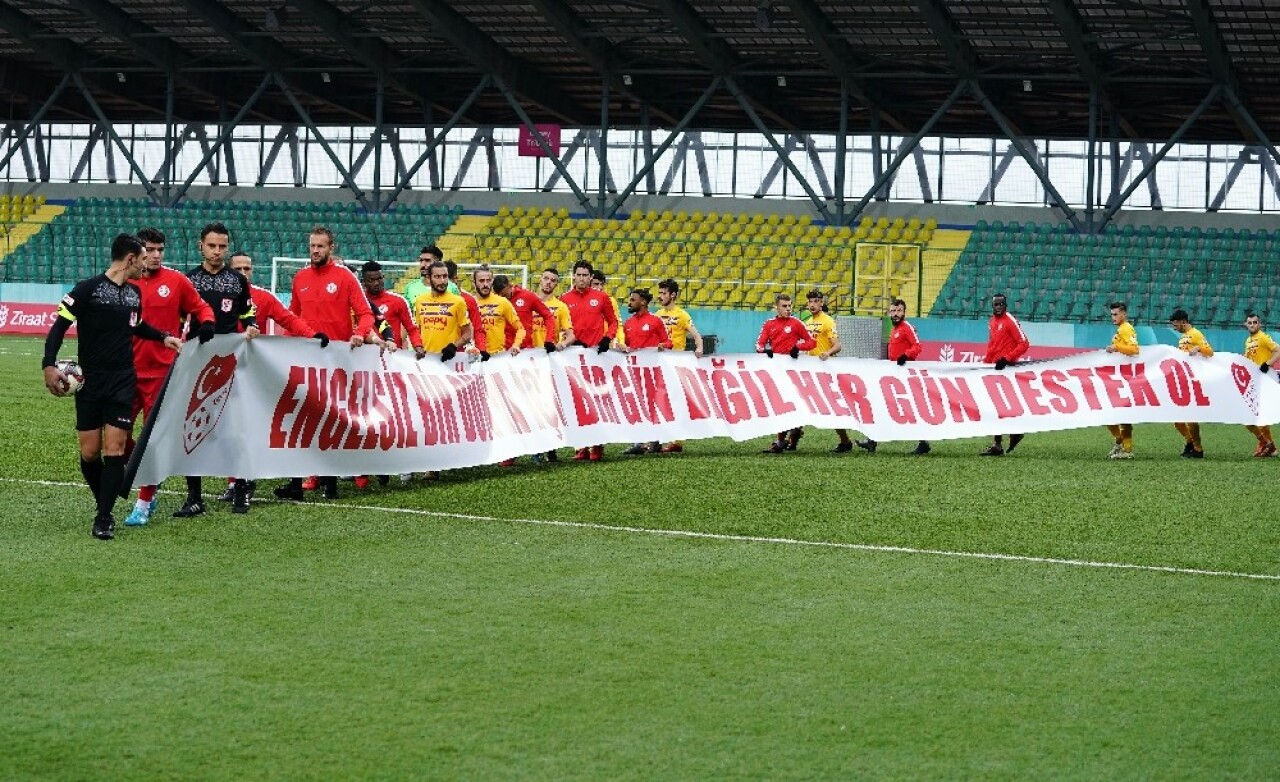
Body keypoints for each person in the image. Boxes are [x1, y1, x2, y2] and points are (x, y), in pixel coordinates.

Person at [42, 233, 182, 540]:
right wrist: (48, 365)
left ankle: (104, 518)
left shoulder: (134, 294)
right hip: (90, 382)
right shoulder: (87, 289)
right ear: (130, 259)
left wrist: (163, 337)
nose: (146, 265)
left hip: (122, 379)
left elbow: (136, 325)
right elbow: (58, 327)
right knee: (90, 453)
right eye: (143, 259)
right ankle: (103, 499)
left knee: (114, 449)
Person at [273, 226, 378, 502]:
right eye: (312, 246)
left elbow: (366, 314)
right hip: (306, 358)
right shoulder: (300, 278)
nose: (315, 251)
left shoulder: (345, 277)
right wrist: (283, 345)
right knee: (300, 416)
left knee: (331, 418)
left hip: (337, 359)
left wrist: (359, 333)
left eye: (321, 246)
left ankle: (331, 484)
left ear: (331, 248)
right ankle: (296, 482)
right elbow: (293, 318)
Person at [122, 227, 214, 528]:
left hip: (162, 375)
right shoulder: (124, 281)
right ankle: (143, 470)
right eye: (151, 250)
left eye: (161, 250)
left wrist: (208, 324)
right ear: (137, 251)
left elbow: (201, 308)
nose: (157, 255)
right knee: (116, 437)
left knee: (154, 440)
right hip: (125, 371)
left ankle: (144, 503)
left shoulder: (176, 281)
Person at [173, 223, 262, 517]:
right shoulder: (189, 281)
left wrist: (251, 327)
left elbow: (249, 315)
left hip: (230, 363)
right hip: (197, 364)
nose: (217, 251)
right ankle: (194, 497)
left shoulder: (237, 281)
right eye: (212, 246)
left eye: (222, 246)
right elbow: (178, 320)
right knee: (193, 429)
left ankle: (240, 491)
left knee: (233, 430)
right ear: (201, 246)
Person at [561, 260, 620, 461]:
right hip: (572, 355)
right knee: (576, 400)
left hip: (596, 356)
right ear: (573, 276)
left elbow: (613, 322)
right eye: (578, 275)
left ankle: (597, 445)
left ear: (591, 277)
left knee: (597, 399)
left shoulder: (601, 298)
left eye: (585, 275)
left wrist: (607, 338)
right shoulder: (564, 299)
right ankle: (580, 447)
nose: (581, 279)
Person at [857, 298, 931, 456]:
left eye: (899, 311)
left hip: (905, 376)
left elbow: (917, 346)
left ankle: (923, 441)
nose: (896, 314)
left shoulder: (907, 327)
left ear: (904, 312)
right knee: (882, 405)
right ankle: (872, 441)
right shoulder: (894, 329)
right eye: (893, 311)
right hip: (893, 376)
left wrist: (906, 355)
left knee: (911, 409)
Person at [786, 289, 847, 452]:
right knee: (800, 402)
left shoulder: (827, 321)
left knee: (831, 406)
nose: (812, 304)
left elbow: (837, 345)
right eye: (810, 302)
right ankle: (793, 441)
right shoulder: (807, 322)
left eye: (815, 301)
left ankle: (845, 441)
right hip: (809, 370)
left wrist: (827, 353)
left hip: (824, 370)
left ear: (822, 303)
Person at [756, 293, 817, 454]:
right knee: (779, 405)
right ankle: (789, 436)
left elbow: (812, 342)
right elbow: (759, 344)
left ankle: (783, 440)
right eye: (784, 306)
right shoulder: (769, 324)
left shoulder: (797, 324)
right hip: (776, 371)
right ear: (776, 307)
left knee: (791, 404)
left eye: (790, 306)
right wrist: (765, 351)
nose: (788, 309)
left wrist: (798, 348)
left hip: (794, 372)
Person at [619, 288, 671, 455]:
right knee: (635, 405)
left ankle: (654, 441)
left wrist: (662, 347)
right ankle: (638, 442)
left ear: (642, 302)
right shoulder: (628, 323)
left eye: (633, 300)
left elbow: (668, 342)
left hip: (651, 372)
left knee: (651, 405)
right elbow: (624, 345)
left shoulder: (655, 321)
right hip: (633, 371)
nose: (630, 302)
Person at [655, 278, 703, 454]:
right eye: (659, 293)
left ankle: (677, 440)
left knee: (675, 401)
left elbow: (696, 336)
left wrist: (699, 348)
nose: (659, 296)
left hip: (676, 363)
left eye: (663, 293)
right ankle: (658, 438)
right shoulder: (657, 315)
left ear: (673, 295)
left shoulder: (682, 315)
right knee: (659, 400)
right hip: (659, 363)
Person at [979, 293, 1030, 456]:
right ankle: (1001, 442)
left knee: (1002, 405)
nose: (999, 307)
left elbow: (1024, 343)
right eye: (996, 304)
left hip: (1007, 370)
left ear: (1006, 305)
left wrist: (1007, 359)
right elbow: (992, 345)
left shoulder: (1010, 321)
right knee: (995, 407)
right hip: (995, 369)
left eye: (1002, 304)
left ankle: (1010, 435)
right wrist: (986, 363)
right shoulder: (992, 322)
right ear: (992, 306)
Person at [1170, 308, 1213, 458]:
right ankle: (1190, 442)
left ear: (1183, 322)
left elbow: (1210, 351)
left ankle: (1198, 449)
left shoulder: (1195, 334)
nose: (1174, 328)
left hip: (1193, 380)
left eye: (1176, 325)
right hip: (1182, 379)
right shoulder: (1182, 338)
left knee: (1190, 416)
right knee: (1177, 419)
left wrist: (1199, 348)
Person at [415, 259, 473, 358]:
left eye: (445, 276)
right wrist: (418, 347)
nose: (442, 281)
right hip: (427, 360)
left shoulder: (458, 301)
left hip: (450, 360)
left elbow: (468, 334)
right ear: (428, 278)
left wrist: (453, 347)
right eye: (437, 277)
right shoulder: (420, 301)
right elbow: (417, 330)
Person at [362, 260, 422, 356]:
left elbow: (411, 329)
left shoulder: (398, 300)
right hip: (365, 358)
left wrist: (418, 346)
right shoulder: (359, 302)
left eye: (379, 278)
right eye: (371, 280)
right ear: (363, 281)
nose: (376, 283)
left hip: (393, 357)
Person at [1104, 301, 1140, 460]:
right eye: (1112, 314)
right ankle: (1120, 443)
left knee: (1121, 414)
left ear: (1124, 314)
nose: (1113, 317)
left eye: (1116, 314)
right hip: (1118, 378)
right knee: (1111, 414)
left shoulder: (1126, 328)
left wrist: (1116, 348)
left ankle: (1126, 448)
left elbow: (1134, 349)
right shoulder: (1121, 329)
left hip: (1126, 379)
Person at [1242, 312, 1278, 457]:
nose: (1252, 325)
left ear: (1260, 324)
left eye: (1255, 322)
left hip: (1263, 380)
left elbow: (1278, 351)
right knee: (1250, 416)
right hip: (1253, 381)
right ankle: (1269, 445)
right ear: (1246, 325)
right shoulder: (1248, 341)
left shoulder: (1263, 337)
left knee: (1257, 415)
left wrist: (1267, 364)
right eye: (1249, 323)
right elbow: (1248, 358)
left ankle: (1267, 444)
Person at [494, 274, 556, 352]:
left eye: (506, 295)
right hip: (501, 351)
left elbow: (548, 316)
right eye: (501, 296)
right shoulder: (494, 301)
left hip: (524, 350)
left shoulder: (528, 296)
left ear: (510, 285)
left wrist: (549, 339)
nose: (504, 299)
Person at [472, 266, 525, 357]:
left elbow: (521, 328)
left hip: (497, 357)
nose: (485, 284)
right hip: (475, 357)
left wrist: (516, 344)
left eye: (488, 280)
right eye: (481, 281)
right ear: (474, 283)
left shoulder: (503, 302)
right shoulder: (468, 303)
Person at [446, 259, 486, 355]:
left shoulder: (468, 300)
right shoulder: (432, 299)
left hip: (462, 354)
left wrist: (481, 351)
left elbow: (478, 329)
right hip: (436, 351)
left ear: (455, 279)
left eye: (445, 279)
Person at [402, 245, 441, 314]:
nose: (423, 264)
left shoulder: (451, 287)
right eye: (421, 261)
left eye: (427, 260)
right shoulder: (410, 287)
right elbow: (406, 315)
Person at [591, 269, 625, 343]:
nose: (600, 287)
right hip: (588, 345)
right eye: (596, 284)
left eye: (602, 284)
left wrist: (621, 342)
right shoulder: (581, 301)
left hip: (606, 346)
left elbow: (618, 325)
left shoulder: (611, 301)